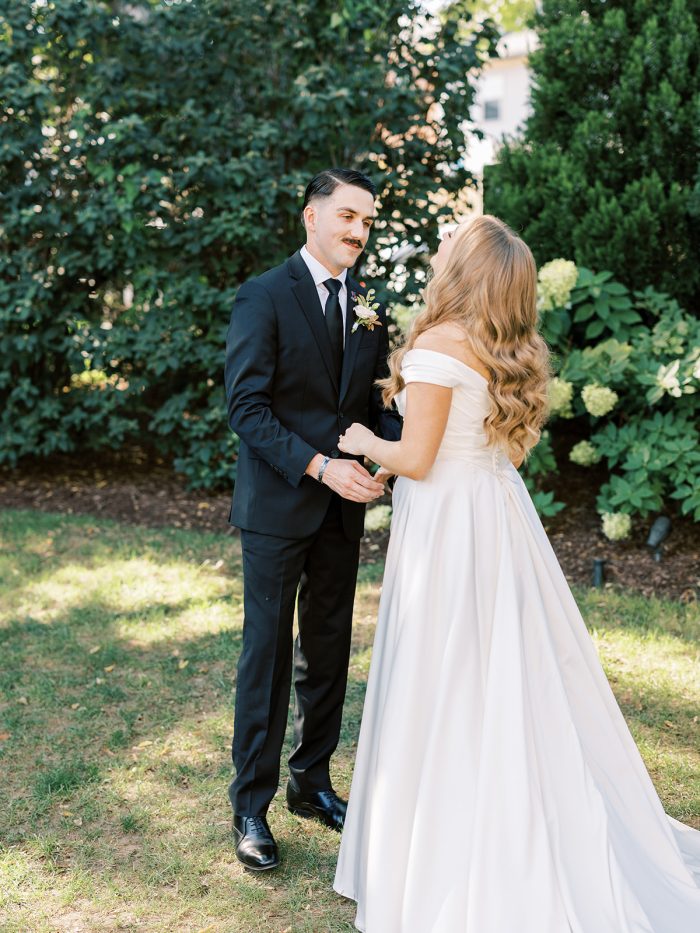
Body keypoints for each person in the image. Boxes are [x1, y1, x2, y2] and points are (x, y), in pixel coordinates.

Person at [333, 215, 700, 931]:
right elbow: (483, 445)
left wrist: (361, 438)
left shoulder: (440, 344)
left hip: (449, 525)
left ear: (465, 269)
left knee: (447, 669)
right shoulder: (512, 350)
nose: (439, 249)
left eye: (448, 245)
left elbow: (418, 458)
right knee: (503, 667)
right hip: (495, 515)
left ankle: (444, 845)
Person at [223, 168, 402, 872]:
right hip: (278, 506)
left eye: (367, 221)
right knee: (265, 655)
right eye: (347, 217)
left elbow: (375, 401)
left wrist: (387, 450)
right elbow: (247, 410)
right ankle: (251, 806)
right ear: (312, 217)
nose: (358, 231)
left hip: (343, 511)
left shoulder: (370, 307)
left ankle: (312, 783)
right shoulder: (263, 295)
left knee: (326, 649)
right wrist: (321, 466)